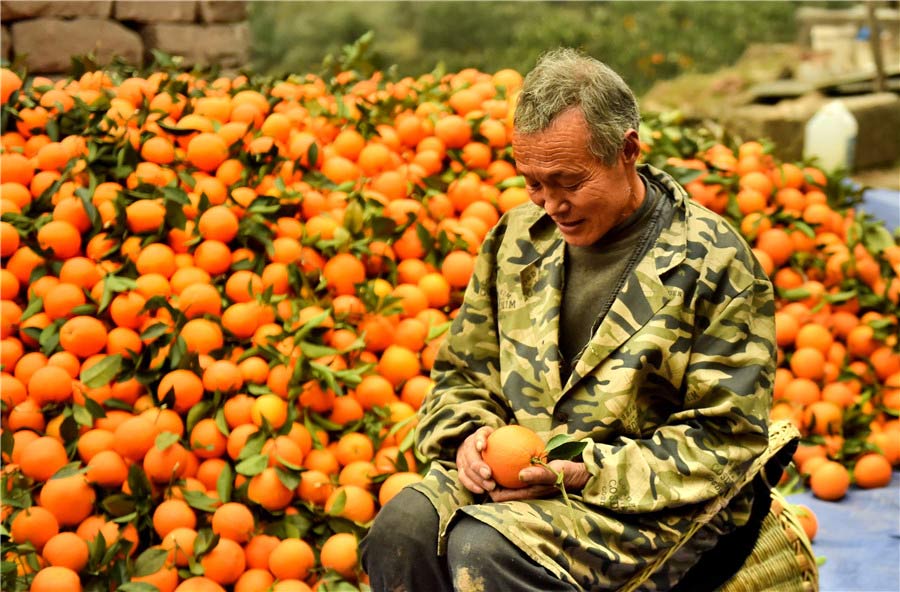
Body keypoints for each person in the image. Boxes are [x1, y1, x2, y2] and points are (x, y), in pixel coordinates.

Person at [360, 48, 800, 591]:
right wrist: (470, 437)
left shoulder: (714, 264)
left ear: (628, 151)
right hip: (513, 484)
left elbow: (725, 440)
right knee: (400, 531)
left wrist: (586, 471)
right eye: (533, 183)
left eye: (569, 182)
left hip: (645, 505)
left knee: (486, 548)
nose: (551, 204)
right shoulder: (517, 239)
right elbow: (463, 373)